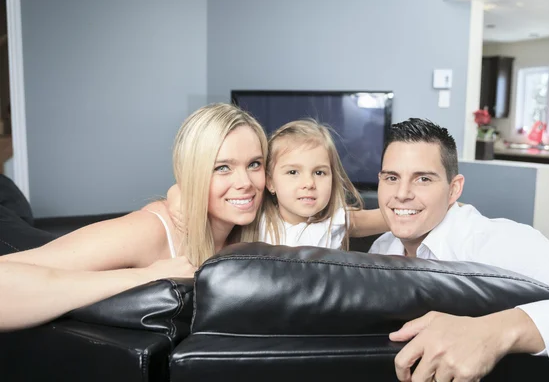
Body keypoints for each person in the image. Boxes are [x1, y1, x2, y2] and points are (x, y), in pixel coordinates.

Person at [368, 118, 549, 382]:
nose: (402, 193)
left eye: (422, 179)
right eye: (391, 178)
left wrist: (496, 331)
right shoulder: (382, 247)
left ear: (454, 189)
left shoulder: (494, 242)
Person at [0, 103, 268, 331]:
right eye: (222, 168)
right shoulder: (149, 232)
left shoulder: (261, 221)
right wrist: (146, 277)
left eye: (254, 164)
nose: (245, 182)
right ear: (191, 174)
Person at [259, 119, 388, 249]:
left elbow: (393, 218)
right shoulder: (258, 224)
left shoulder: (337, 221)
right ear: (270, 182)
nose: (309, 183)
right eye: (293, 172)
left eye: (319, 173)